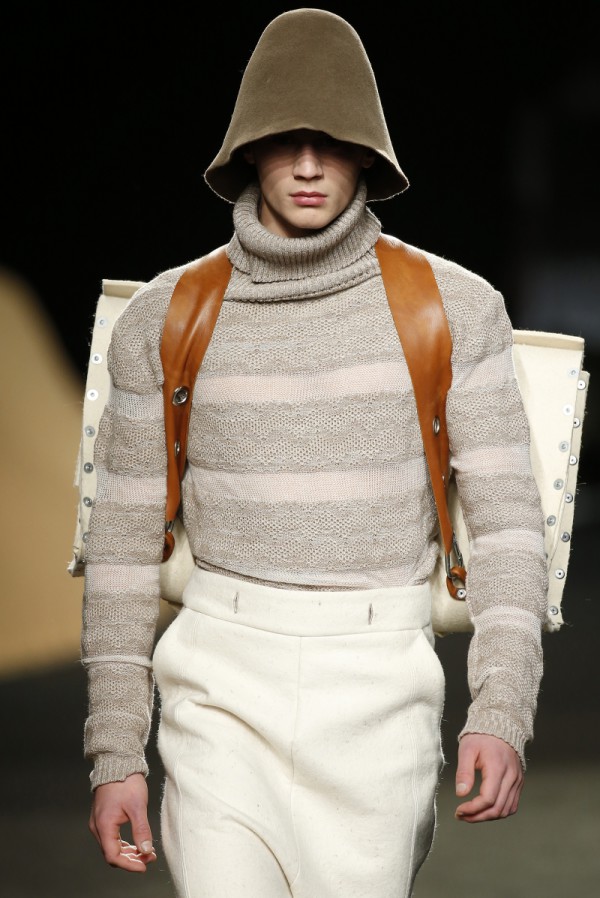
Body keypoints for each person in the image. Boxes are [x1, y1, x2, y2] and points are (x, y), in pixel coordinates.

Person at [82, 8, 548, 896]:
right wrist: (115, 753)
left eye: (330, 142)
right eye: (282, 141)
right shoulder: (164, 317)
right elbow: (121, 548)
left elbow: (510, 528)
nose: (305, 166)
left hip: (380, 692)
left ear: (367, 155)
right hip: (217, 686)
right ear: (245, 152)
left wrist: (501, 710)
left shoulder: (455, 308)